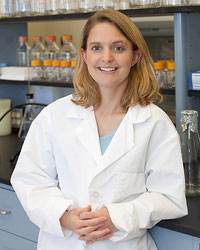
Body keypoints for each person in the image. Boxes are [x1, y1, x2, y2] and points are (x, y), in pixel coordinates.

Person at [11, 8, 187, 250]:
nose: (107, 57)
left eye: (118, 48)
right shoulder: (55, 116)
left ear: (135, 56)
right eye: (96, 48)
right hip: (64, 243)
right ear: (84, 55)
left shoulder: (155, 123)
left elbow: (168, 196)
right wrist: (64, 217)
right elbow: (30, 180)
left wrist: (115, 217)